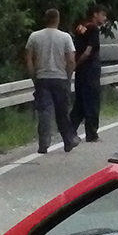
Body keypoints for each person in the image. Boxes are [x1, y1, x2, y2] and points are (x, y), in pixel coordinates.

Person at [22, 8, 77, 154]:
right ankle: (68, 140)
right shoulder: (65, 37)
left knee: (44, 112)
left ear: (45, 19)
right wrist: (68, 77)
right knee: (62, 112)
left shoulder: (34, 37)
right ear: (58, 19)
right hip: (60, 78)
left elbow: (28, 59)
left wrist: (33, 76)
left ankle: (43, 143)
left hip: (42, 78)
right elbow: (71, 60)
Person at [69, 5, 107, 142]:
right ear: (95, 14)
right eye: (102, 14)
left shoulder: (81, 27)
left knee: (80, 102)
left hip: (81, 71)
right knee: (92, 101)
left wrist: (75, 65)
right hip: (90, 69)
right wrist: (77, 64)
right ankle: (91, 133)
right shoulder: (93, 28)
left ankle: (69, 129)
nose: (104, 18)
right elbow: (88, 50)